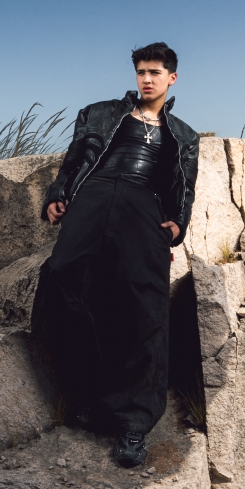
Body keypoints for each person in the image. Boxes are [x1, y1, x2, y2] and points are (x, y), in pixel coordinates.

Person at [41, 42, 199, 467]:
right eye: (141, 72)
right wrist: (58, 194)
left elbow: (185, 186)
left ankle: (134, 422)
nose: (146, 79)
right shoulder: (100, 113)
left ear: (172, 78)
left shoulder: (183, 135)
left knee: (146, 304)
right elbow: (73, 159)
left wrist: (178, 221)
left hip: (142, 205)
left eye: (155, 72)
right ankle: (92, 395)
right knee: (62, 276)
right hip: (93, 197)